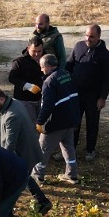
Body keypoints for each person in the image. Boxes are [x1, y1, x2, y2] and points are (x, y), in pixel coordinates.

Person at [0, 87, 50, 210]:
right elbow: (2, 131)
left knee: (16, 181)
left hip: (24, 152)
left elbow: (10, 144)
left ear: (1, 99)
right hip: (26, 150)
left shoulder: (12, 115)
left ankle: (8, 209)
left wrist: (2, 163)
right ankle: (42, 201)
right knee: (24, 176)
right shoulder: (12, 103)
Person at [66, 23, 109, 163]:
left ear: (99, 36)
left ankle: (90, 150)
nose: (88, 38)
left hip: (93, 96)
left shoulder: (104, 54)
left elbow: (107, 78)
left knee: (92, 124)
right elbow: (69, 65)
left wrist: (103, 97)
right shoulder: (78, 46)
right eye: (87, 35)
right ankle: (70, 149)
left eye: (92, 36)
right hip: (76, 93)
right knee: (74, 122)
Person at [34, 53, 80, 185]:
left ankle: (38, 176)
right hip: (71, 119)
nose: (41, 70)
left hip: (56, 122)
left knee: (43, 148)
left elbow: (47, 106)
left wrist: (40, 122)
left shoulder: (49, 82)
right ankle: (72, 174)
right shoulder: (67, 74)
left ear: (48, 66)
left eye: (42, 67)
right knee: (68, 147)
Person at [6, 38, 47, 119]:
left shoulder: (46, 59)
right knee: (29, 124)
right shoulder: (19, 62)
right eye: (34, 51)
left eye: (39, 51)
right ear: (28, 49)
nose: (36, 54)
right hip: (25, 100)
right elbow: (12, 78)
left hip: (41, 99)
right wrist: (26, 85)